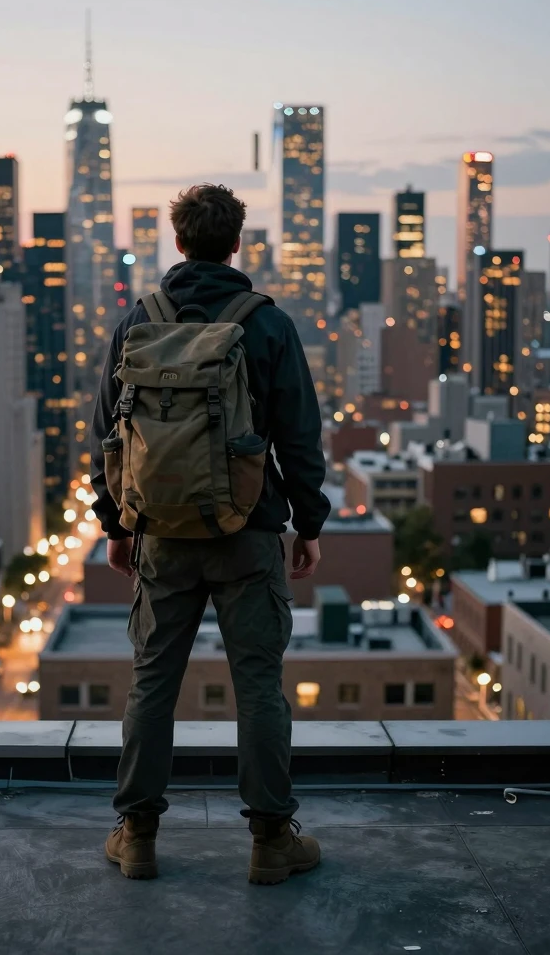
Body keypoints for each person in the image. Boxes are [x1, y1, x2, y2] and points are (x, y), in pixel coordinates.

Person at [90, 183, 330, 884]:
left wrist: (116, 524)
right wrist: (308, 524)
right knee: (258, 687)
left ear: (177, 241)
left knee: (151, 686)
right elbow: (300, 436)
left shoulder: (141, 319)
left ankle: (137, 837)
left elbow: (105, 434)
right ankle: (269, 841)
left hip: (161, 536)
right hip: (248, 533)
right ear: (236, 244)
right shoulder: (267, 324)